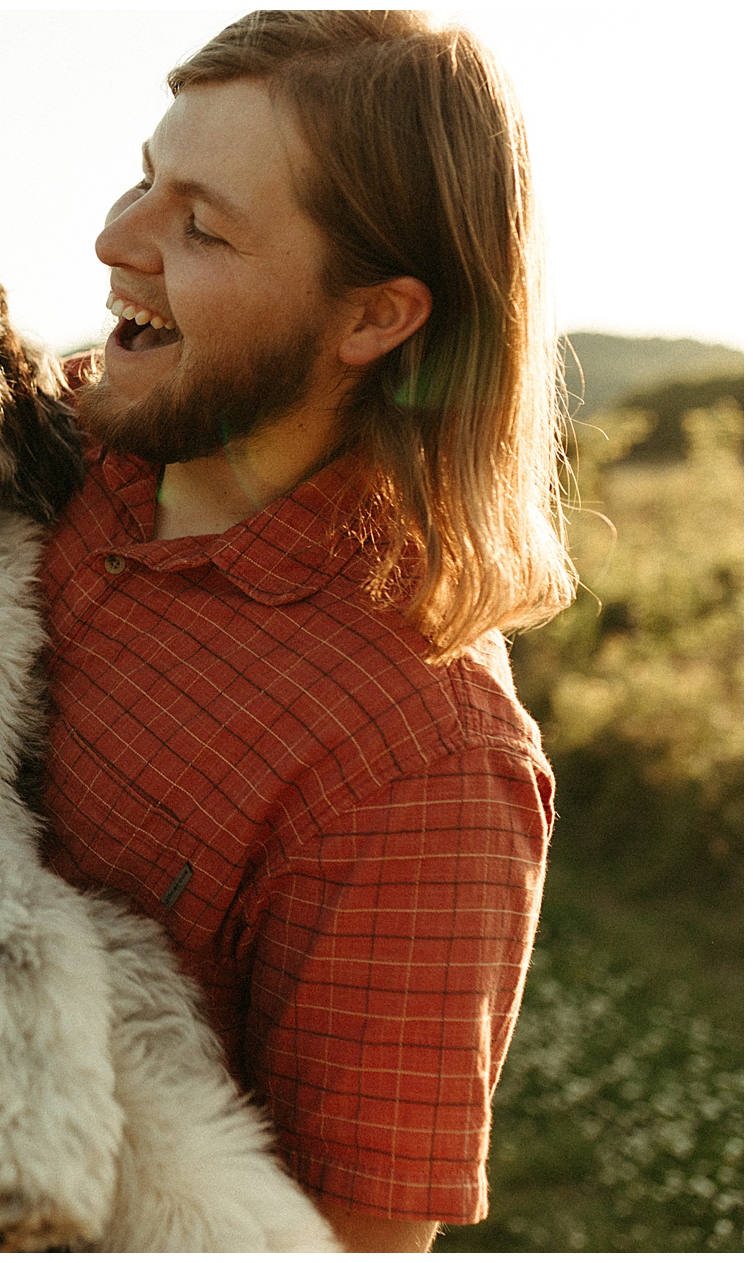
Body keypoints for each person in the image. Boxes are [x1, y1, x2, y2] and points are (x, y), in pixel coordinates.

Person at [39, 10, 573, 1252]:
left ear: (373, 319)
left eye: (200, 226)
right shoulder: (26, 435)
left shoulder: (424, 765)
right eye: (144, 178)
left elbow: (349, 1239)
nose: (114, 241)